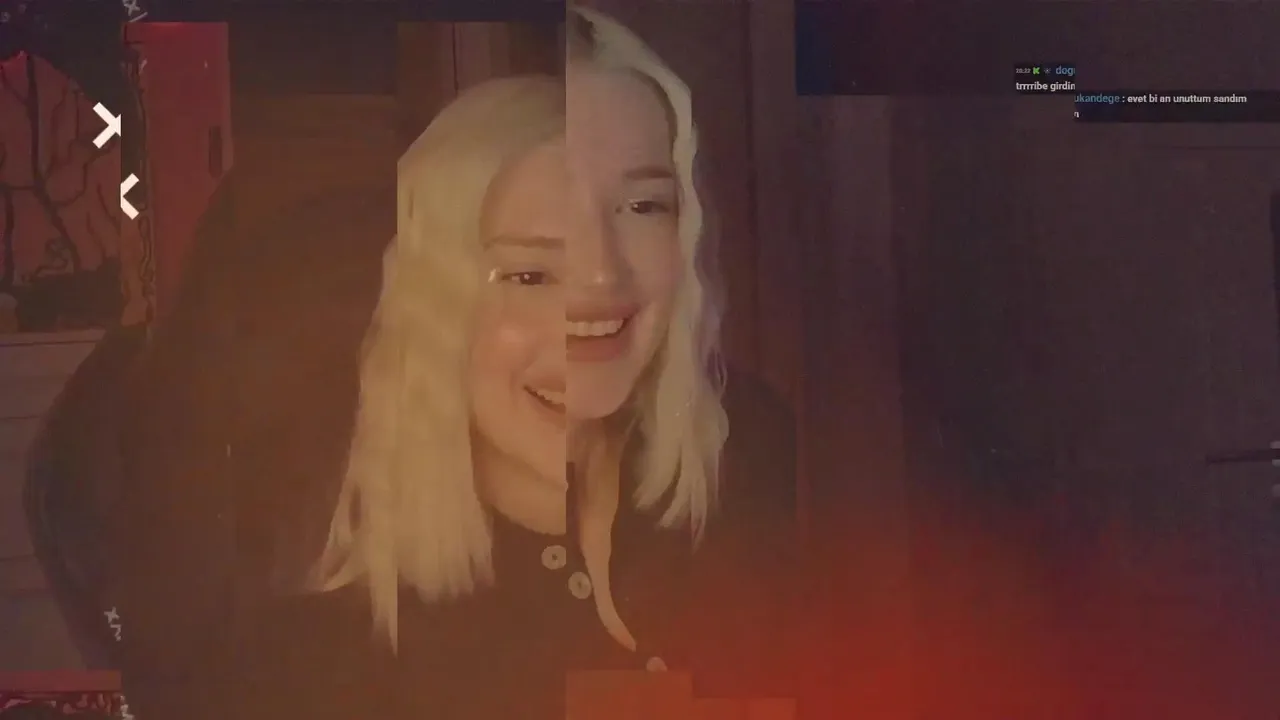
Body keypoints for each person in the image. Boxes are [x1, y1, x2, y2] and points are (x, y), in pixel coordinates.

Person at [32, 8, 799, 720]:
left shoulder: (750, 464)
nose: (598, 286)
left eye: (643, 208)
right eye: (528, 273)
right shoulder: (330, 642)